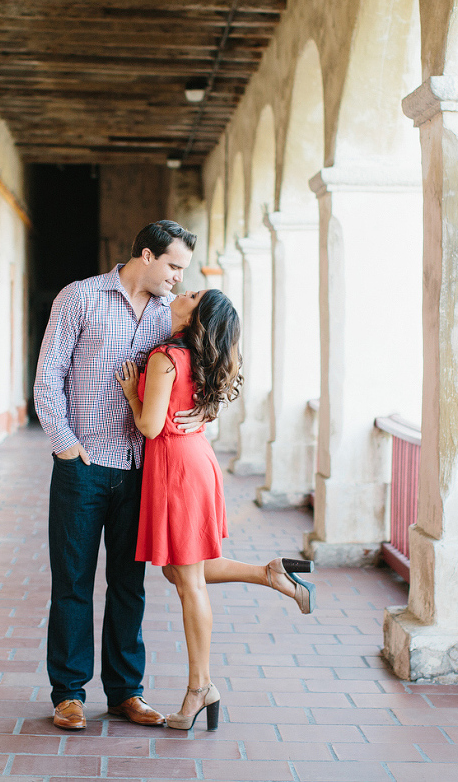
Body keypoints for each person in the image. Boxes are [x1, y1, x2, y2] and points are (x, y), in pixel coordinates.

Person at [116, 288, 316, 732]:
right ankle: (269, 573)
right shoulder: (194, 358)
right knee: (178, 571)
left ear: (196, 317)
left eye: (191, 294)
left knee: (188, 581)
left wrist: (132, 392)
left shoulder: (166, 357)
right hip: (193, 460)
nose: (180, 293)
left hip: (175, 469)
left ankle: (199, 688)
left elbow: (149, 426)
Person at [34, 220, 203, 732]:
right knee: (73, 584)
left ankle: (127, 692)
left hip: (141, 471)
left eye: (183, 271)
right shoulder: (79, 298)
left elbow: (209, 363)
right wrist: (66, 448)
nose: (177, 277)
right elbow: (47, 380)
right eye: (173, 265)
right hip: (82, 468)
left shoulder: (168, 319)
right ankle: (68, 694)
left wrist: (206, 412)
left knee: (130, 586)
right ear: (146, 255)